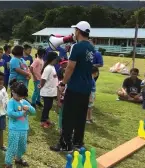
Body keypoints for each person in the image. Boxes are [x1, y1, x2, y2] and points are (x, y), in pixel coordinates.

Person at [51, 21, 95, 152]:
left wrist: (63, 83)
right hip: (86, 87)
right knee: (80, 117)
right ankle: (78, 142)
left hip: (75, 86)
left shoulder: (77, 47)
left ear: (78, 31)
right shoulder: (91, 47)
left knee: (68, 116)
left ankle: (65, 144)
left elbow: (70, 67)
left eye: (75, 30)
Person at [5, 79, 36, 168]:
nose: (20, 98)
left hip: (24, 129)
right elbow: (10, 113)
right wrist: (21, 113)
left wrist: (29, 108)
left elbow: (33, 112)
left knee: (22, 147)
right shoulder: (11, 102)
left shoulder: (23, 101)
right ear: (13, 92)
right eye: (19, 95)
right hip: (14, 129)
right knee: (12, 147)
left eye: (22, 96)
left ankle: (18, 159)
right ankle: (8, 163)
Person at [38, 52, 59, 128]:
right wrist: (41, 85)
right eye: (56, 59)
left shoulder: (52, 67)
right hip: (47, 92)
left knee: (49, 106)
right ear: (53, 59)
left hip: (51, 92)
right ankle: (42, 121)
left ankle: (46, 119)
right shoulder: (48, 68)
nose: (57, 60)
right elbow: (43, 79)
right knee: (47, 107)